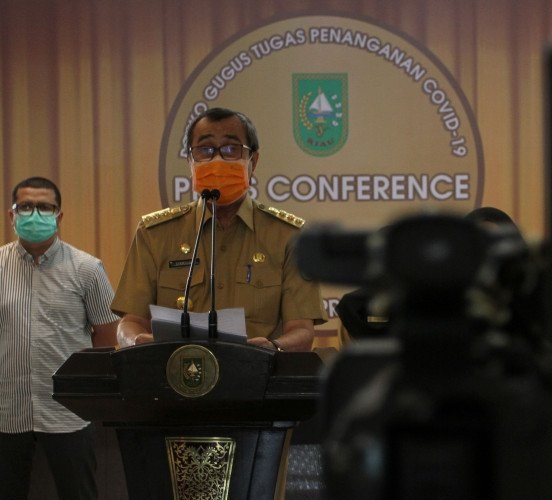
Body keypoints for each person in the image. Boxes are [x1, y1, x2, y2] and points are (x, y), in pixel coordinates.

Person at [111, 107, 327, 349]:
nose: (217, 159)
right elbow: (130, 322)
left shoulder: (289, 237)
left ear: (252, 161)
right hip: (173, 375)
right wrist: (136, 340)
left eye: (230, 149)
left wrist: (273, 348)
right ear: (190, 161)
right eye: (205, 150)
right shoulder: (155, 234)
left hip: (258, 377)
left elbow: (302, 330)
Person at [0, 176, 119, 500]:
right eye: (26, 206)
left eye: (44, 207)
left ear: (59, 215)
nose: (34, 214)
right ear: (12, 215)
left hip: (69, 412)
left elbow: (107, 338)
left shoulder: (87, 269)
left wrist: (90, 395)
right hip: (7, 410)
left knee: (79, 494)